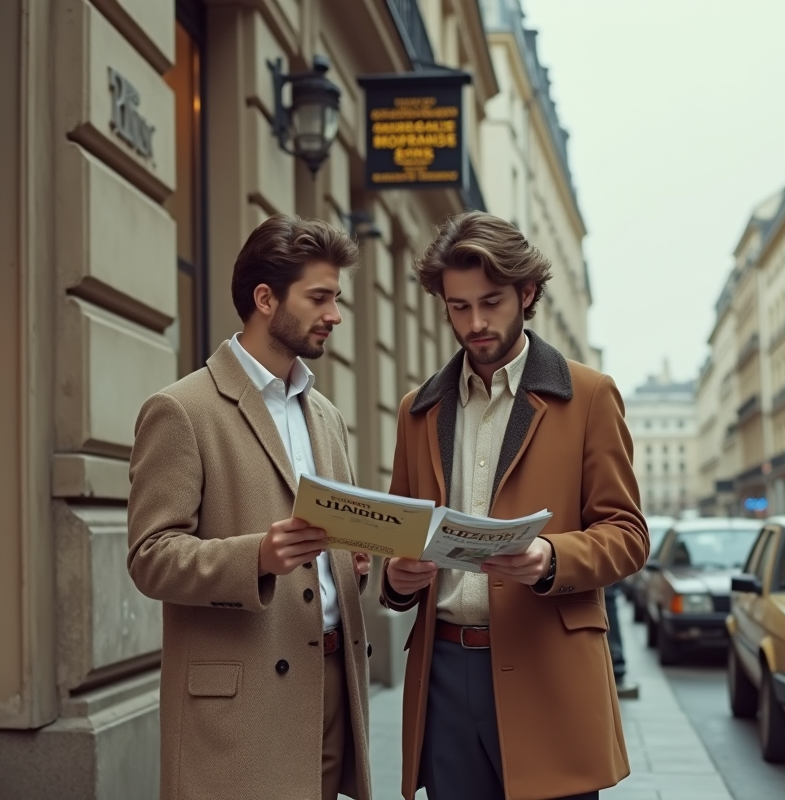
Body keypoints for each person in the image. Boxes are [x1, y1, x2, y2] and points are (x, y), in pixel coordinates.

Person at [381, 211, 649, 800]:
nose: (475, 322)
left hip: (549, 673)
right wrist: (398, 578)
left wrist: (551, 558)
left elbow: (628, 533)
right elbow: (401, 534)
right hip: (445, 674)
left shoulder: (589, 396)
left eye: (492, 302)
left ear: (527, 293)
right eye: (458, 307)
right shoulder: (417, 410)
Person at [127, 214, 373, 800]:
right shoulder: (182, 410)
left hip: (335, 683)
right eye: (319, 298)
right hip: (243, 706)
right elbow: (149, 557)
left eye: (335, 298)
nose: (334, 315)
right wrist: (257, 556)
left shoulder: (328, 418)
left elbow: (332, 552)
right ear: (265, 298)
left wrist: (353, 566)